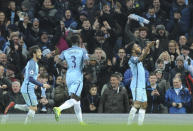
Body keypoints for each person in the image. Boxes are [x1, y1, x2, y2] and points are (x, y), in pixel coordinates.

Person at [4, 45, 50, 124]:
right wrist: (42, 85)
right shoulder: (32, 64)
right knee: (33, 108)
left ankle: (14, 105)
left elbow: (23, 73)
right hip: (28, 89)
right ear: (34, 54)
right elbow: (30, 78)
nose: (41, 53)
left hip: (28, 87)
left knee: (30, 107)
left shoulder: (32, 63)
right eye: (39, 52)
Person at [53, 34, 89, 125]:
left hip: (68, 76)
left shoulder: (65, 51)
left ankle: (81, 122)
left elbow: (57, 63)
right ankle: (59, 109)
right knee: (74, 98)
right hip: (77, 76)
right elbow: (87, 62)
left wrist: (65, 67)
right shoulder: (82, 50)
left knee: (77, 100)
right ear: (79, 42)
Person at [127, 41, 154, 125]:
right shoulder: (132, 58)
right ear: (132, 50)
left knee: (144, 105)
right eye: (136, 46)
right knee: (137, 104)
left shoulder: (138, 58)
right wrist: (148, 47)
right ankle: (128, 125)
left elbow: (142, 56)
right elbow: (141, 58)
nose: (139, 47)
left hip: (142, 86)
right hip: (136, 86)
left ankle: (140, 126)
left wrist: (147, 48)